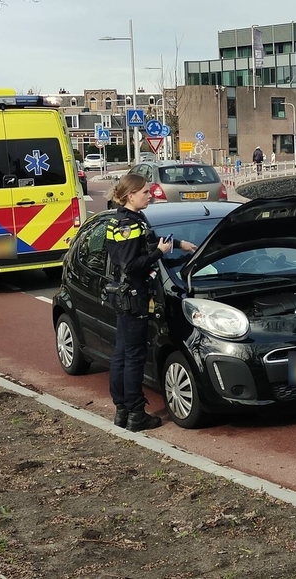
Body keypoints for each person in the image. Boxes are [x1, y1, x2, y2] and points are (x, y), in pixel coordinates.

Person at [105, 173, 197, 432]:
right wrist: (160, 253)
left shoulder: (128, 220)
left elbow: (146, 242)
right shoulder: (127, 224)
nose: (151, 195)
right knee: (132, 357)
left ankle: (122, 410)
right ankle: (136, 413)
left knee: (122, 354)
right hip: (133, 297)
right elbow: (131, 265)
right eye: (145, 192)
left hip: (126, 297)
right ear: (130, 195)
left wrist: (178, 244)